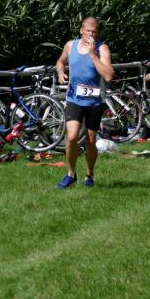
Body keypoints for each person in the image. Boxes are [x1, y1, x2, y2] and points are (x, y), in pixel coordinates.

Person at [55, 17, 114, 188]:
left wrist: (93, 55)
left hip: (95, 101)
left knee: (90, 141)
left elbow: (108, 75)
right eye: (88, 31)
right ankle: (71, 174)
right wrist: (60, 72)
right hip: (74, 98)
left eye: (94, 32)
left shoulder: (102, 48)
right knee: (72, 137)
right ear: (81, 30)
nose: (91, 34)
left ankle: (89, 175)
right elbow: (60, 61)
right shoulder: (70, 45)